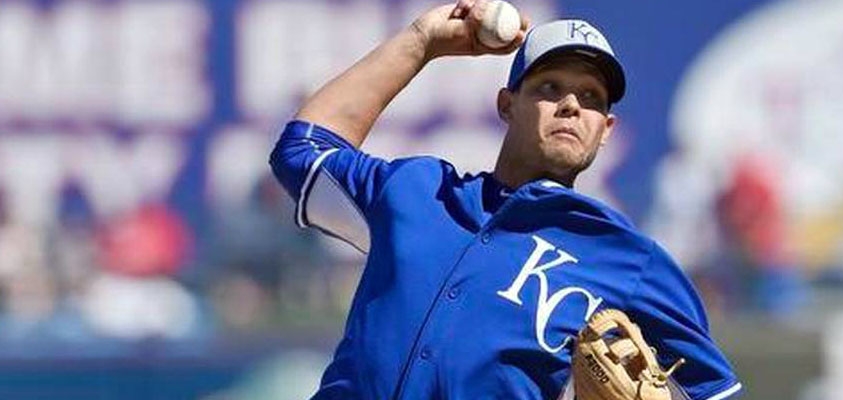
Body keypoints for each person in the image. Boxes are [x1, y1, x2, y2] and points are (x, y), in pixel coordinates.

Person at [270, 1, 742, 399]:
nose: (571, 105)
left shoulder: (629, 259)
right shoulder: (418, 193)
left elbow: (718, 391)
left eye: (591, 97)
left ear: (605, 130)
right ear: (506, 104)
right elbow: (301, 151)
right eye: (549, 87)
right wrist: (421, 41)